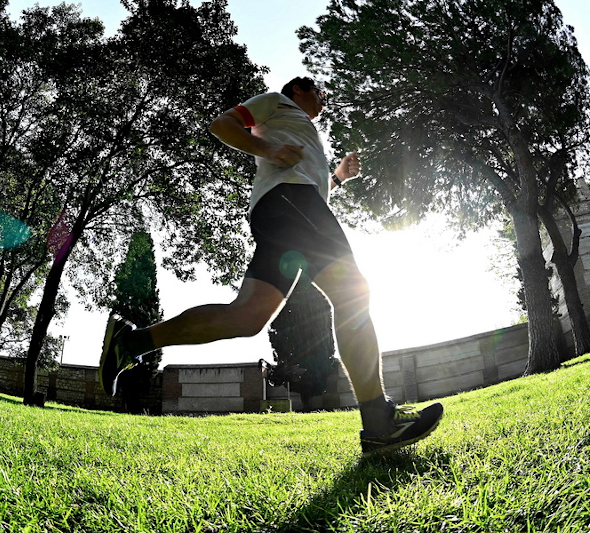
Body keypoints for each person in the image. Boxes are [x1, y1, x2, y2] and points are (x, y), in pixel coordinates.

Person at [99, 76, 443, 455]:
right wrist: (267, 148)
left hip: (288, 210)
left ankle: (131, 342)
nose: (323, 101)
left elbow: (311, 179)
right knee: (352, 293)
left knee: (247, 317)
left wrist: (338, 177)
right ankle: (379, 422)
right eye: (319, 93)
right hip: (290, 203)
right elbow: (222, 124)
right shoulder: (275, 103)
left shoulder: (303, 128)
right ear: (298, 89)